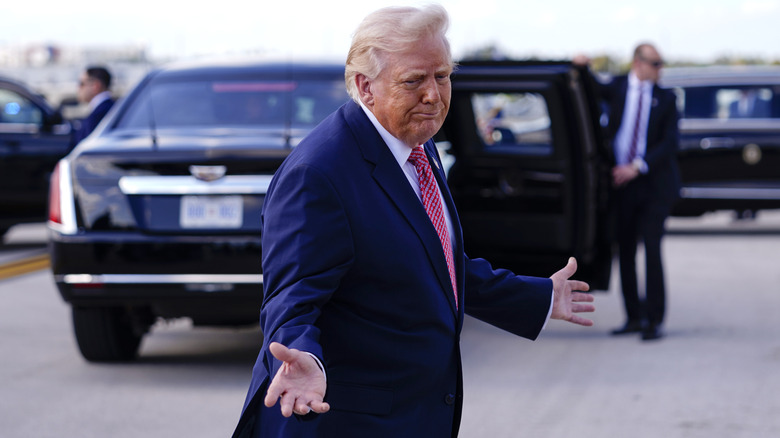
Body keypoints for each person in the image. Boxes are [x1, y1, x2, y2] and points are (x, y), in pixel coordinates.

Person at [232, 5, 595, 438]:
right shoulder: (318, 174)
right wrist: (302, 358)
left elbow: (436, 263)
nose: (433, 95)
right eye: (413, 80)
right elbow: (290, 300)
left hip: (410, 415)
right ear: (366, 87)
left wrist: (537, 298)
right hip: (345, 421)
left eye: (442, 77)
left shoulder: (418, 146)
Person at [596, 44, 680, 341]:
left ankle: (654, 320)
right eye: (655, 63)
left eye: (661, 63)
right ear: (637, 62)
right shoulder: (618, 87)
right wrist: (579, 64)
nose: (660, 69)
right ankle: (633, 316)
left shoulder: (667, 98)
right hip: (622, 184)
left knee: (652, 248)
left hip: (654, 184)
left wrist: (638, 166)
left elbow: (670, 143)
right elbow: (588, 87)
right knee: (626, 250)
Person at [70, 66, 114, 147]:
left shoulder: (99, 114)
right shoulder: (110, 108)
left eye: (81, 84)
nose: (78, 88)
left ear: (95, 86)